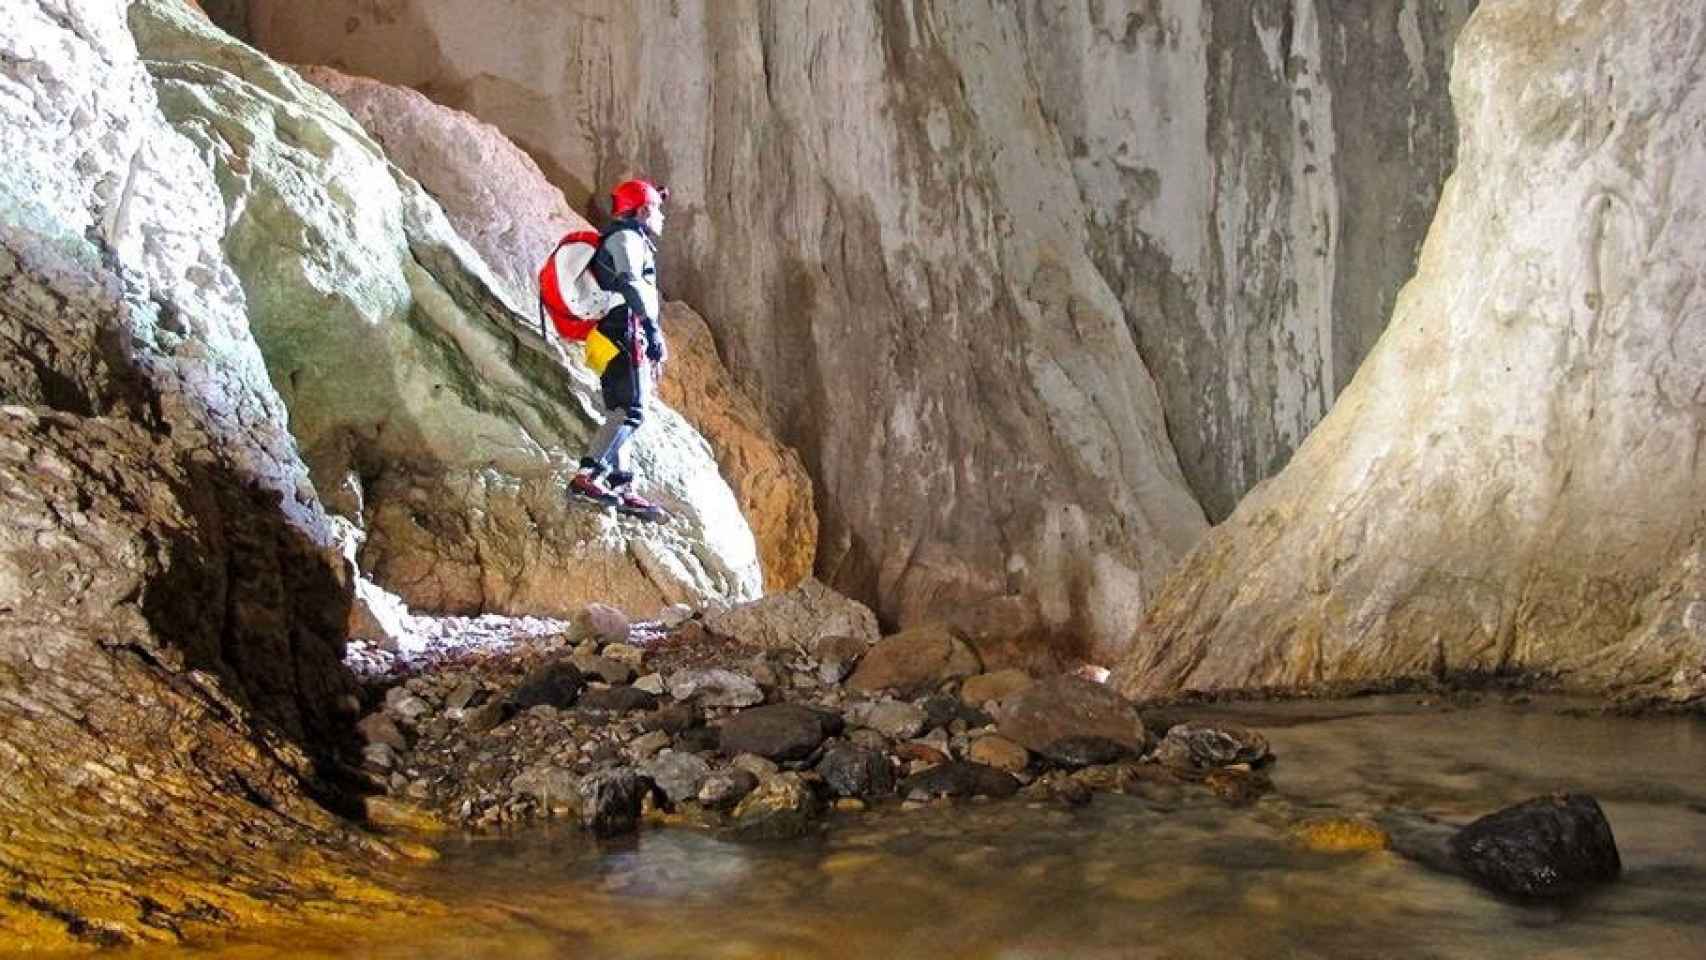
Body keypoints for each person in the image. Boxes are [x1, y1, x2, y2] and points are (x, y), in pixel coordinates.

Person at [568, 178, 671, 519]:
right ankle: (588, 476)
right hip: (621, 331)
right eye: (657, 208)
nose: (661, 216)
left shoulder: (630, 237)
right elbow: (629, 281)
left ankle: (620, 486)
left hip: (614, 333)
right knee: (631, 411)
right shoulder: (625, 237)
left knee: (621, 411)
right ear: (643, 210)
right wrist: (653, 330)